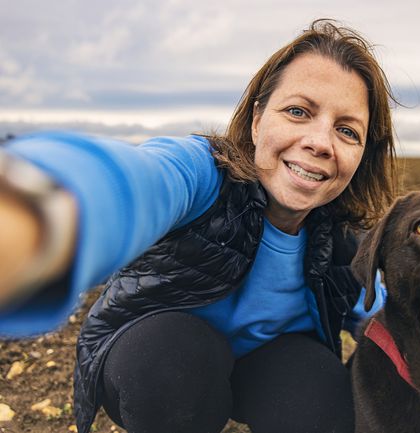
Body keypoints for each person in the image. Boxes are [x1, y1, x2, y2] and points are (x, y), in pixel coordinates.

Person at [0, 19, 398, 433]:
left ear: (361, 155)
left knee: (322, 392)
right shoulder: (203, 174)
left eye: (347, 131)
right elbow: (137, 181)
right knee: (172, 361)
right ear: (258, 119)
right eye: (298, 111)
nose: (320, 142)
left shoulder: (341, 243)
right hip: (159, 363)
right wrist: (39, 211)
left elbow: (386, 314)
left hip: (263, 371)